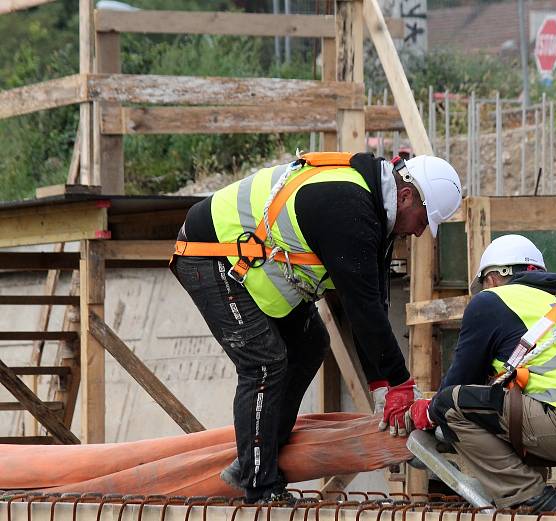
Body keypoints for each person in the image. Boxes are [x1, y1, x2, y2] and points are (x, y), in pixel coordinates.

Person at [170, 151, 462, 503]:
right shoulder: (350, 207)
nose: (418, 232)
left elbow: (373, 305)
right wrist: (400, 384)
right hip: (209, 254)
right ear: (405, 196)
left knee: (310, 344)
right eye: (421, 221)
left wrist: (383, 384)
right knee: (265, 363)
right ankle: (260, 486)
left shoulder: (375, 207)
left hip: (243, 264)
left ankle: (254, 461)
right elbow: (362, 309)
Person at [401, 234, 556, 511]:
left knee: (449, 404)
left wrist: (426, 413)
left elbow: (458, 384)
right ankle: (530, 491)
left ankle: (528, 495)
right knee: (509, 400)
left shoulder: (492, 301)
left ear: (492, 279)